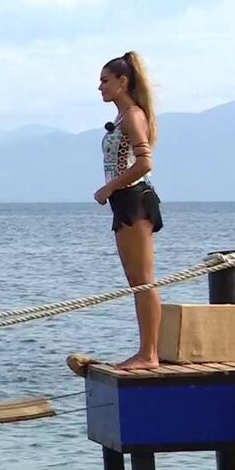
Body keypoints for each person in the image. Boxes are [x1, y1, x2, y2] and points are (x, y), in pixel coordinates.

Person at [95, 51, 163, 371]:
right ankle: (144, 350)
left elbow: (145, 162)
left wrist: (110, 187)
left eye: (105, 81)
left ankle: (149, 354)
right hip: (124, 202)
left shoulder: (133, 115)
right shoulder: (122, 118)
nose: (100, 87)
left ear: (123, 82)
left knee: (144, 279)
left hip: (135, 198)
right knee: (135, 280)